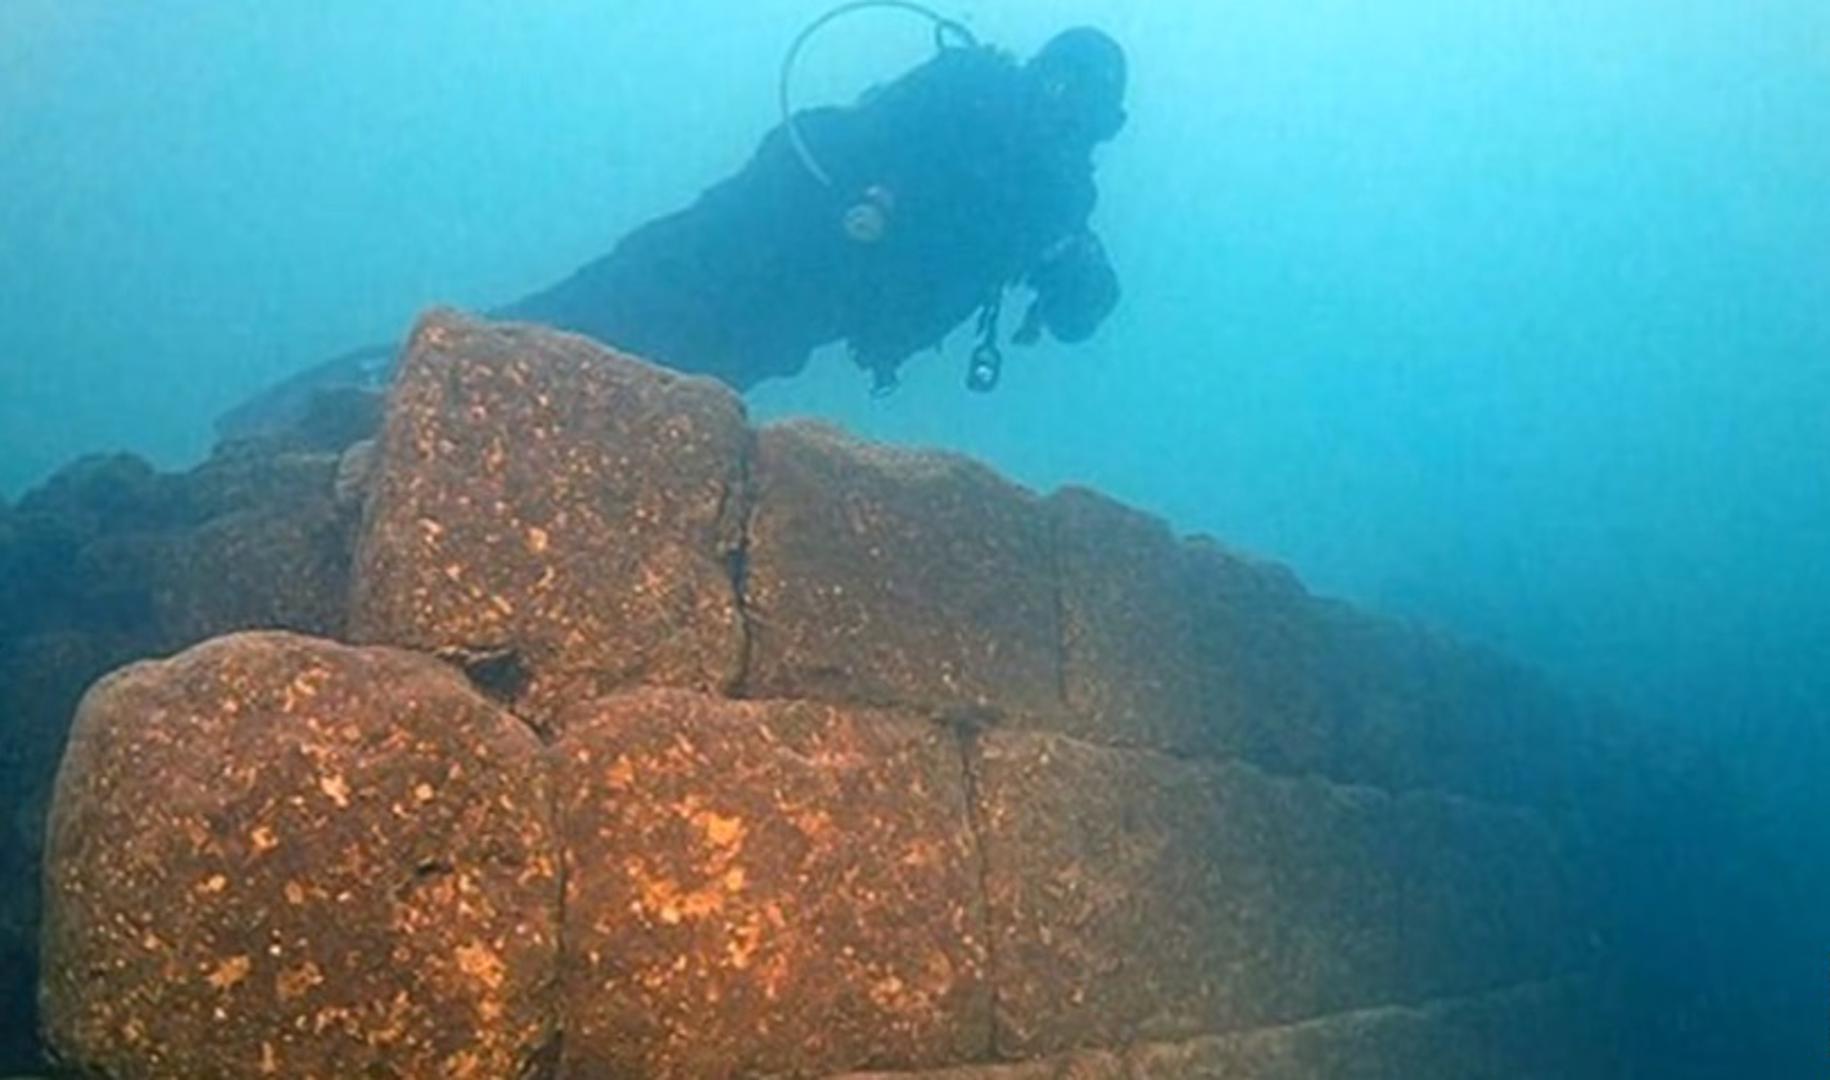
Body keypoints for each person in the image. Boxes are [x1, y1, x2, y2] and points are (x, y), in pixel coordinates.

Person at [217, 23, 1127, 440]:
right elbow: (884, 149)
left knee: (648, 392)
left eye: (1082, 107)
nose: (1062, 111)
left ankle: (405, 416)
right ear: (1037, 74)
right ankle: (351, 397)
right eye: (1059, 88)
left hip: (800, 308)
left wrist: (1074, 265)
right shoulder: (974, 92)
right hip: (758, 234)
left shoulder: (1059, 200)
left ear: (1101, 123)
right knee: (581, 320)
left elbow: (1077, 310)